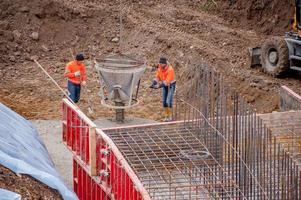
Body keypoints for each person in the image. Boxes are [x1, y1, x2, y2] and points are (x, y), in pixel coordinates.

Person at [151, 57, 176, 121]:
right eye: (159, 63)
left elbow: (167, 82)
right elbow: (158, 76)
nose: (160, 65)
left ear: (165, 64)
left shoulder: (170, 70)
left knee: (168, 101)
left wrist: (158, 86)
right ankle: (166, 116)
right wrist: (154, 82)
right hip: (164, 85)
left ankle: (170, 116)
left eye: (161, 64)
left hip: (170, 85)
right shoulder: (160, 67)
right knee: (164, 101)